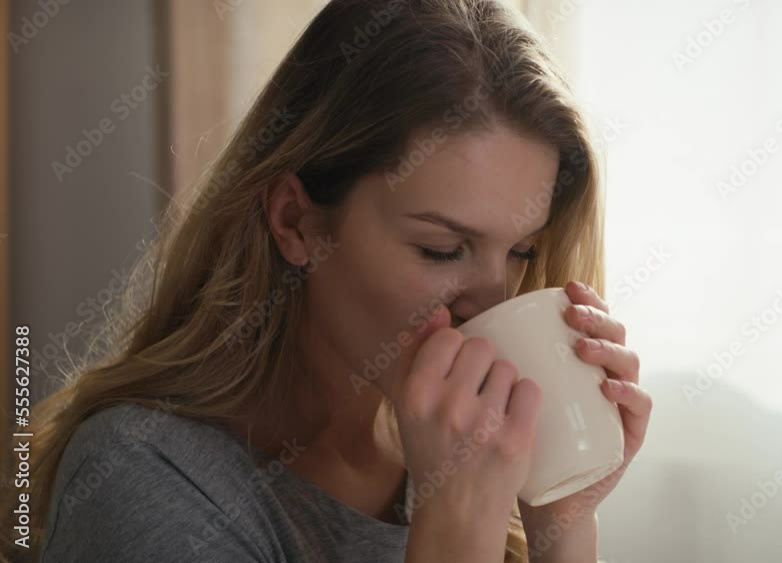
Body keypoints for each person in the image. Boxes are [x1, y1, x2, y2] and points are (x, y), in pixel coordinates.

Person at [2, 0, 652, 561]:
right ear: (297, 222)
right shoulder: (146, 478)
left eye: (521, 252)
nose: (493, 301)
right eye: (442, 249)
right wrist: (455, 522)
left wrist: (563, 524)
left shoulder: (469, 463)